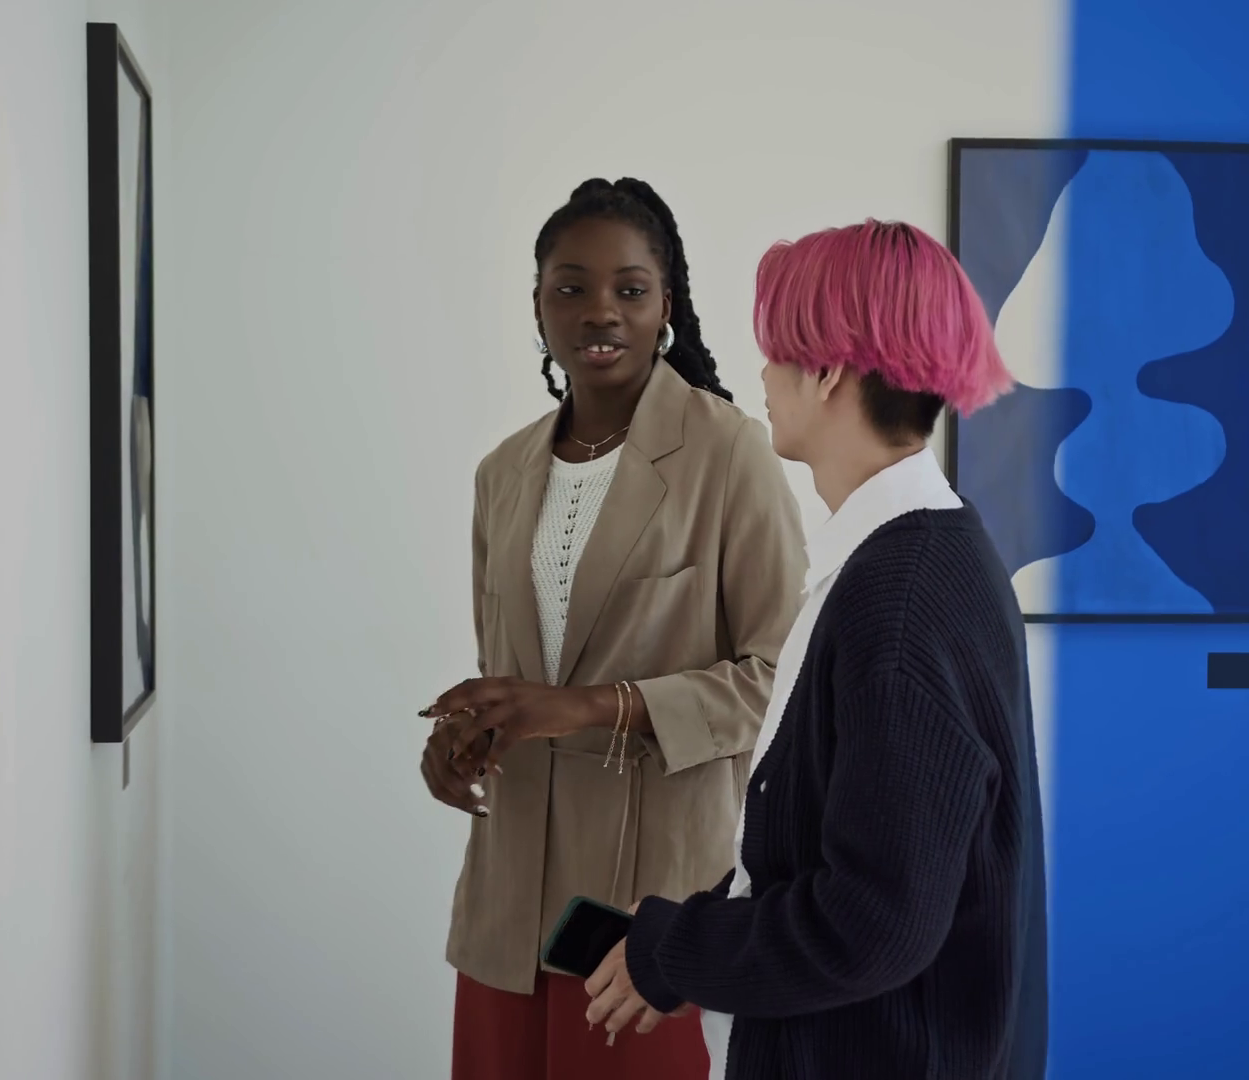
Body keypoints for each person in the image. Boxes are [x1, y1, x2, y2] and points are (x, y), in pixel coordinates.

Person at [585, 219, 1050, 1079]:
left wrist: (677, 949)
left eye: (778, 352)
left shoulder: (899, 597)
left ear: (830, 371)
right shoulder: (913, 559)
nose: (764, 375)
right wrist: (683, 944)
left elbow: (873, 921)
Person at [420, 178, 807, 1080]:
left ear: (665, 305)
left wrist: (596, 706)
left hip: (648, 908)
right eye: (572, 287)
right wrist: (463, 740)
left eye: (630, 289)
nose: (601, 311)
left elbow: (781, 683)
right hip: (506, 906)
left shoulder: (730, 452)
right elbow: (510, 673)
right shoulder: (502, 473)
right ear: (538, 305)